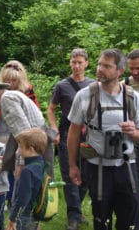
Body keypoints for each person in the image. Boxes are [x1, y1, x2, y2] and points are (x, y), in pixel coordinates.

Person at [67, 48, 139, 230]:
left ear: (119, 71)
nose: (100, 69)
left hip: (126, 166)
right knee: (101, 218)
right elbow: (74, 132)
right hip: (97, 167)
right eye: (100, 64)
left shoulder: (134, 98)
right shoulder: (85, 96)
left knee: (130, 218)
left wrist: (133, 132)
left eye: (107, 66)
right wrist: (73, 165)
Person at [46, 48, 94, 230]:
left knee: (87, 175)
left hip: (89, 135)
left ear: (86, 63)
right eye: (74, 62)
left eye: (80, 62)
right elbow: (51, 109)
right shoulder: (62, 85)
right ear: (70, 63)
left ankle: (77, 210)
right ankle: (73, 217)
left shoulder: (93, 85)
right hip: (68, 135)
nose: (76, 65)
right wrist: (54, 130)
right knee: (69, 174)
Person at [0, 78, 57, 178]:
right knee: (44, 186)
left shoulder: (6, 100)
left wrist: (21, 164)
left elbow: (24, 134)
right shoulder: (13, 95)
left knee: (36, 189)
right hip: (39, 147)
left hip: (34, 152)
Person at [6, 128, 48, 230]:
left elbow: (22, 198)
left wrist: (13, 218)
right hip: (34, 212)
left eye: (21, 146)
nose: (18, 149)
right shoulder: (41, 163)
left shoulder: (27, 171)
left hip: (24, 216)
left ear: (31, 149)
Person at [125, 49, 139, 230]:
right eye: (132, 68)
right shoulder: (127, 84)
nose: (135, 72)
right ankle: (135, 224)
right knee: (135, 186)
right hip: (134, 142)